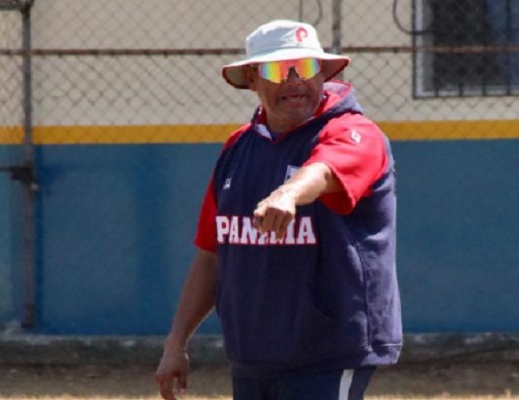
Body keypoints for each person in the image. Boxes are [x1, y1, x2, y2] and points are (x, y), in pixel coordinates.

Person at [155, 19, 402, 400]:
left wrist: (287, 194)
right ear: (252, 78)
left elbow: (326, 169)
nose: (293, 81)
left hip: (328, 352)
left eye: (304, 67)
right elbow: (212, 254)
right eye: (276, 69)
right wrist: (176, 342)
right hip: (253, 355)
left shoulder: (354, 132)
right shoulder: (238, 148)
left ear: (321, 73)